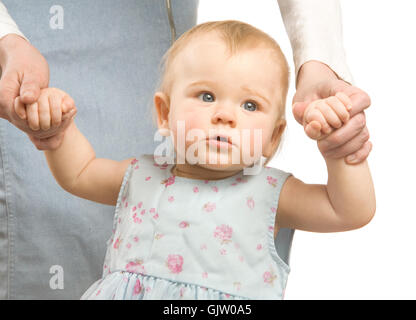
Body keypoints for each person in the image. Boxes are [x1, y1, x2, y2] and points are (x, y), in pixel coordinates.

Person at [0, 0, 372, 299]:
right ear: (165, 112)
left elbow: (350, 211)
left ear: (273, 138)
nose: (225, 115)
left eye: (249, 106)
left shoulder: (272, 195)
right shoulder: (141, 176)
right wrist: (59, 130)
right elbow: (79, 173)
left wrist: (338, 154)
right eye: (207, 96)